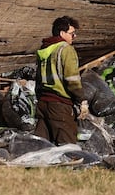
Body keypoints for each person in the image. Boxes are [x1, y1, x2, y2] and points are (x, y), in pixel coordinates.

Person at [33, 15, 87, 145]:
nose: (74, 37)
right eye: (72, 34)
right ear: (62, 33)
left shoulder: (44, 49)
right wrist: (82, 100)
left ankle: (35, 165)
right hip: (60, 105)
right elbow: (72, 79)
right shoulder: (65, 49)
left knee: (41, 145)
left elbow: (38, 78)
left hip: (43, 103)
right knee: (67, 146)